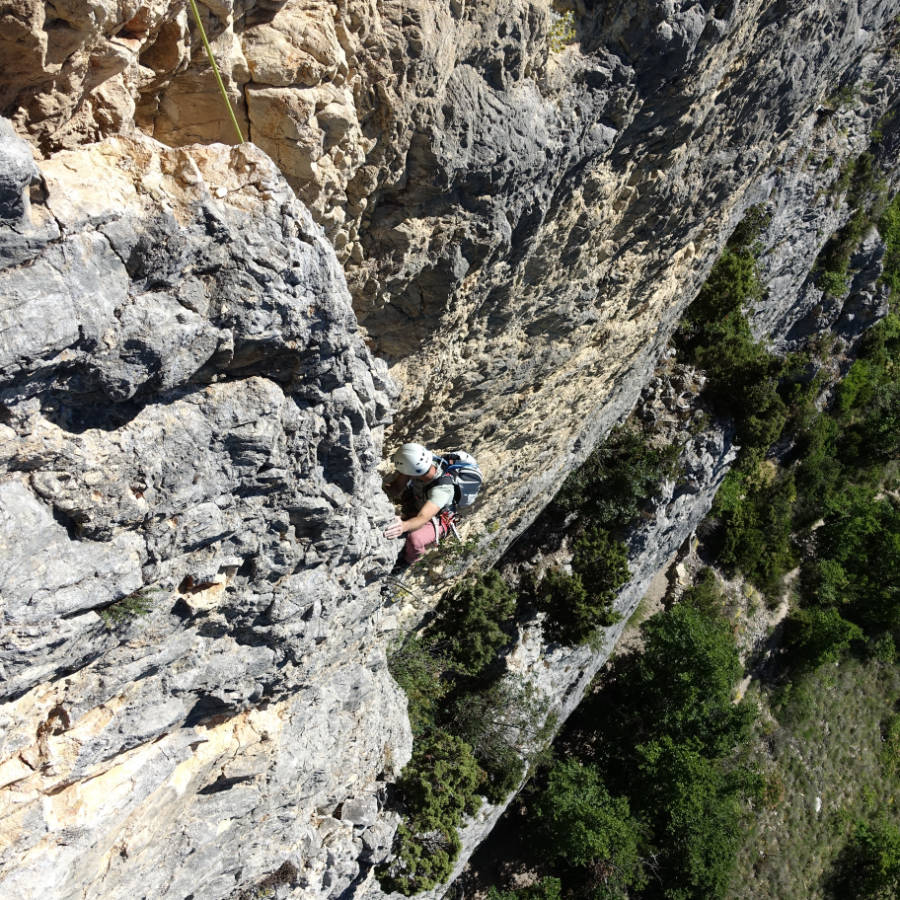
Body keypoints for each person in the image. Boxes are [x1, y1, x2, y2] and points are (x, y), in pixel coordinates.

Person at [383, 442, 455, 566]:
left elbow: (423, 518)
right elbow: (395, 488)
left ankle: (408, 562)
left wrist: (403, 526)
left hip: (438, 518)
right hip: (419, 505)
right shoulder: (418, 464)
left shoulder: (442, 489)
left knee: (415, 539)